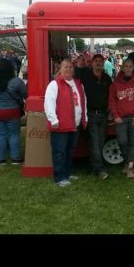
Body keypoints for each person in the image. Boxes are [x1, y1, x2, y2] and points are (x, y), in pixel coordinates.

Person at [44, 58, 87, 187]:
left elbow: (84, 101)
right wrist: (53, 119)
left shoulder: (78, 84)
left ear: (73, 69)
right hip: (60, 125)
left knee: (70, 150)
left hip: (75, 124)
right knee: (59, 152)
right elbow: (48, 103)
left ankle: (67, 173)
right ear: (60, 69)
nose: (68, 69)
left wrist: (84, 117)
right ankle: (59, 177)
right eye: (65, 67)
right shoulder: (54, 84)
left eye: (70, 67)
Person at [109, 59, 134, 178]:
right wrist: (115, 115)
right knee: (122, 141)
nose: (128, 68)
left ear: (133, 68)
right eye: (126, 66)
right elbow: (112, 100)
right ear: (122, 67)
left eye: (130, 66)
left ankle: (130, 167)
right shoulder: (116, 83)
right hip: (121, 118)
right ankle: (127, 160)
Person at [79, 54, 112, 180]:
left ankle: (93, 167)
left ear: (103, 64)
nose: (98, 63)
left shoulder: (107, 78)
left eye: (100, 61)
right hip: (90, 114)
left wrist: (110, 110)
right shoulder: (85, 77)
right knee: (94, 142)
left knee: (100, 141)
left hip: (103, 114)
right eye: (96, 61)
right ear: (91, 63)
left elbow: (111, 95)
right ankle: (100, 169)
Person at [0, 59, 27, 165]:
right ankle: (15, 159)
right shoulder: (16, 82)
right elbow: (25, 94)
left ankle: (0, 159)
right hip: (12, 111)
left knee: (0, 135)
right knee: (14, 135)